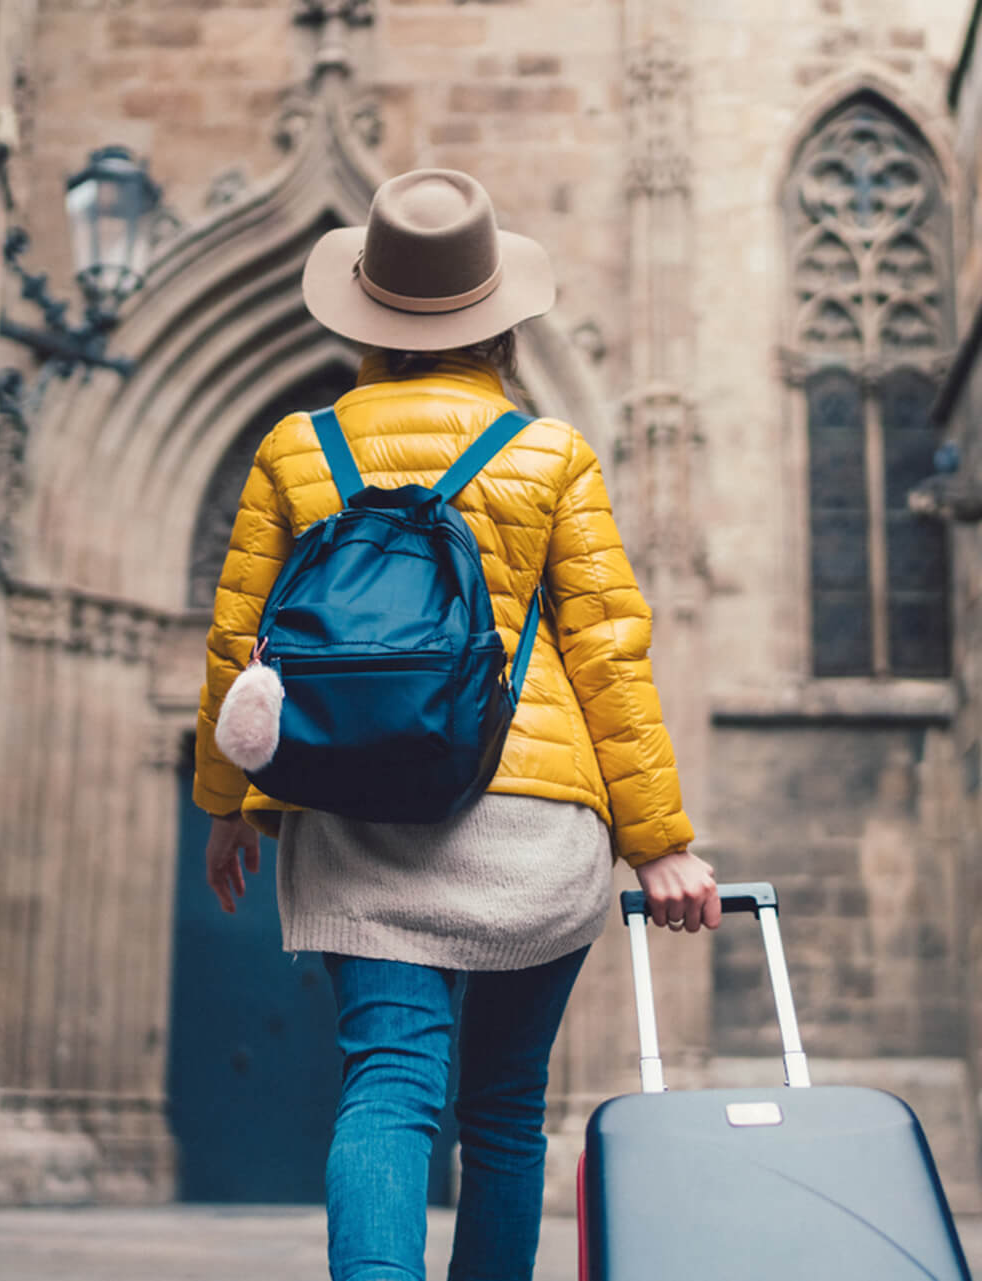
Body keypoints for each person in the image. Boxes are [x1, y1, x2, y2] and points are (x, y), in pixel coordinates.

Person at [191, 168, 719, 1281]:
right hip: (534, 821)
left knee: (388, 1088)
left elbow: (239, 643)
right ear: (499, 325)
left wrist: (229, 804)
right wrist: (660, 841)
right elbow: (609, 655)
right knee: (504, 1112)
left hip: (353, 810)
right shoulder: (549, 455)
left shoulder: (297, 449)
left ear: (366, 318)